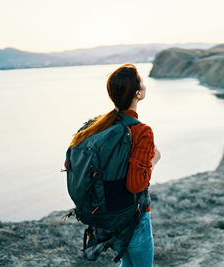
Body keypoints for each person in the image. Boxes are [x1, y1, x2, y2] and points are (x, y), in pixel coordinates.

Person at [68, 63, 161, 267]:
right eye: (142, 82)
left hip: (108, 218)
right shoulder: (142, 131)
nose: (145, 85)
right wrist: (154, 159)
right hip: (134, 219)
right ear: (137, 93)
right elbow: (136, 185)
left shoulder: (97, 125)